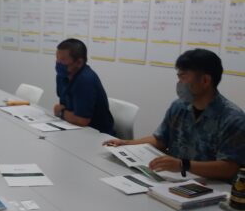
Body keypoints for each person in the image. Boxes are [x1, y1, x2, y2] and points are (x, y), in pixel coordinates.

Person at [104, 49, 245, 180]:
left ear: (205, 81)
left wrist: (183, 165)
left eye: (183, 77)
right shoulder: (179, 106)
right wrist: (126, 143)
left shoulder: (232, 118)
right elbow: (160, 140)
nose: (179, 83)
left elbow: (229, 168)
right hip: (174, 179)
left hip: (212, 186)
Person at [53, 38, 115, 135]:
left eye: (63, 60)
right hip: (73, 128)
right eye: (57, 58)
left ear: (79, 62)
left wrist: (61, 112)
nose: (58, 63)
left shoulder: (85, 80)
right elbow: (65, 105)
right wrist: (65, 112)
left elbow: (82, 120)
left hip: (97, 135)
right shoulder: (62, 76)